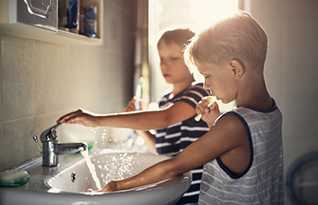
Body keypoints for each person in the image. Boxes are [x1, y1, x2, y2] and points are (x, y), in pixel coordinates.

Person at [57, 10, 284, 204]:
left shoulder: (234, 123)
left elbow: (173, 167)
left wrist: (116, 187)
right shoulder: (271, 112)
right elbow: (244, 152)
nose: (205, 84)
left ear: (235, 69)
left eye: (207, 75)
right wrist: (214, 124)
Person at [59, 28, 211, 204]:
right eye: (161, 58)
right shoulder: (164, 100)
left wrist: (98, 120)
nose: (164, 65)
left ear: (191, 60)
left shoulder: (199, 92)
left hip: (194, 191)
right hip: (174, 189)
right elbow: (160, 149)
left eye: (173, 58)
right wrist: (140, 128)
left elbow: (165, 118)